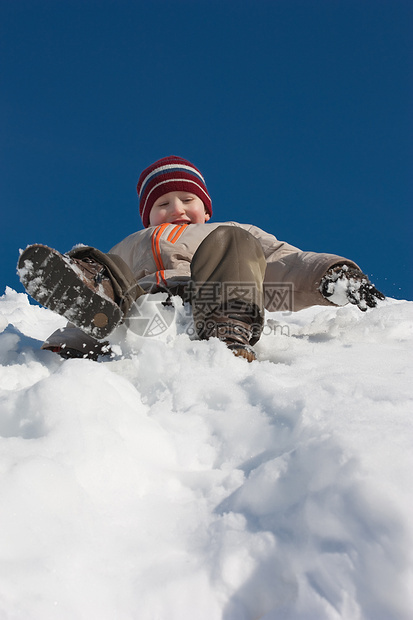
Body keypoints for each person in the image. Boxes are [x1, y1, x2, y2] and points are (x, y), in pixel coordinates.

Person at [18, 155, 385, 362]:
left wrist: (331, 274)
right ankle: (85, 326)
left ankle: (229, 329)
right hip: (139, 307)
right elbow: (116, 277)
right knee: (96, 261)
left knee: (238, 244)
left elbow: (281, 261)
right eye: (162, 204)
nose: (176, 209)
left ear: (205, 209)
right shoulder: (130, 242)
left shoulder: (221, 231)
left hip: (206, 298)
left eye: (187, 200)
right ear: (147, 216)